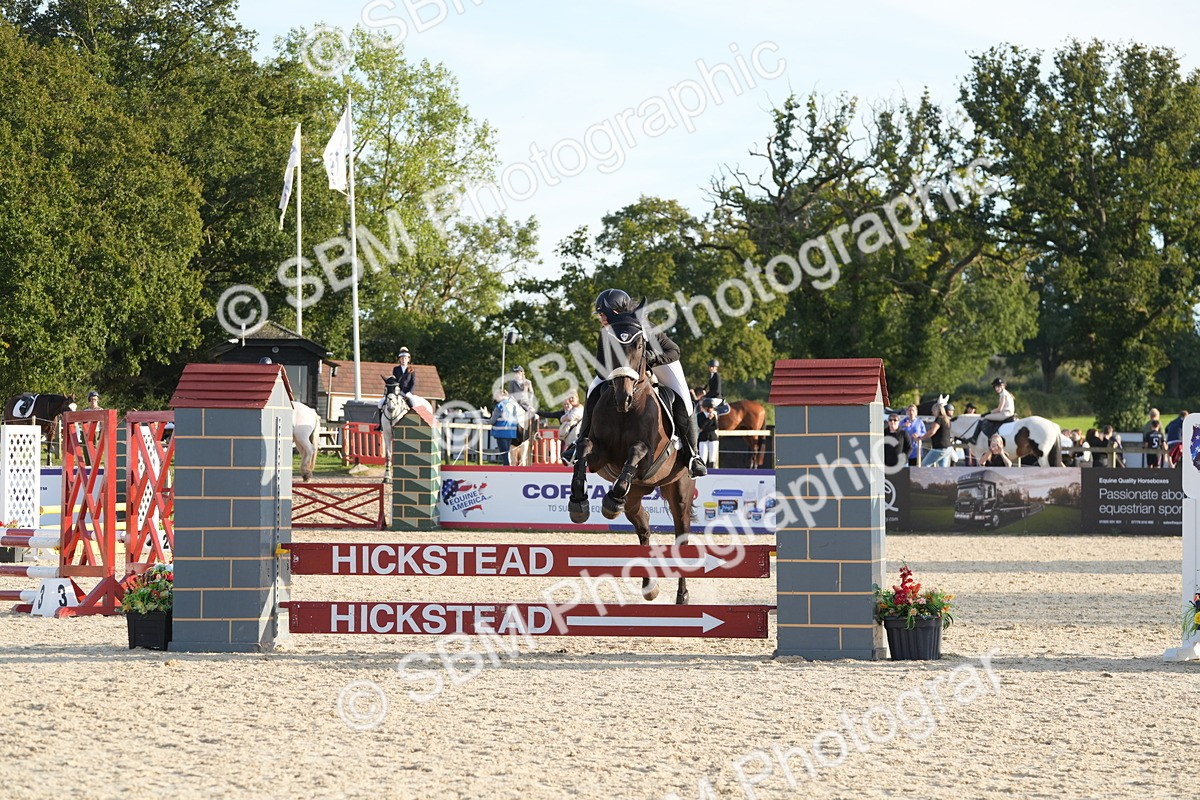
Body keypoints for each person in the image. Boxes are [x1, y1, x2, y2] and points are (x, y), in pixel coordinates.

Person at [567, 288, 706, 477]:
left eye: (602, 314)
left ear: (615, 311)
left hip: (660, 363)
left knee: (683, 398)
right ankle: (580, 441)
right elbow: (600, 367)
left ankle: (692, 454)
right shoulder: (607, 332)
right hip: (624, 371)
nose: (601, 319)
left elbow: (674, 351)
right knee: (593, 388)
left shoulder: (646, 327)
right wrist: (617, 371)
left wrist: (649, 358)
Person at [378, 347, 434, 426]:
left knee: (413, 403)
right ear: (399, 360)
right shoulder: (396, 369)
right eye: (402, 358)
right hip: (397, 392)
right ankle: (381, 424)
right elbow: (394, 381)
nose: (403, 360)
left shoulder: (412, 370)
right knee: (380, 403)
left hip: (407, 393)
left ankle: (414, 423)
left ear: (408, 359)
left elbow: (413, 383)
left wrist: (409, 393)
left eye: (405, 358)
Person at [489, 390, 521, 465]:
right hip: (510, 432)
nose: (495, 398)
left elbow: (492, 420)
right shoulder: (512, 405)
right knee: (507, 452)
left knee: (504, 454)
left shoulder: (499, 405)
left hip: (501, 432)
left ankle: (506, 469)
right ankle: (507, 468)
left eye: (496, 396)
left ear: (501, 395)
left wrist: (486, 420)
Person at [919, 402, 955, 467]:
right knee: (942, 469)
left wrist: (921, 438)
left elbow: (932, 431)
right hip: (947, 448)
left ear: (936, 410)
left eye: (933, 411)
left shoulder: (939, 419)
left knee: (924, 465)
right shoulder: (946, 420)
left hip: (939, 448)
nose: (932, 413)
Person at [697, 402, 720, 469]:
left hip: (713, 438)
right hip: (703, 438)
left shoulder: (714, 415)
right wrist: (708, 419)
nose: (712, 409)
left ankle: (711, 470)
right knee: (703, 457)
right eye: (711, 408)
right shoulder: (700, 415)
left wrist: (704, 429)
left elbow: (715, 427)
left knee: (712, 457)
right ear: (706, 408)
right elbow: (701, 425)